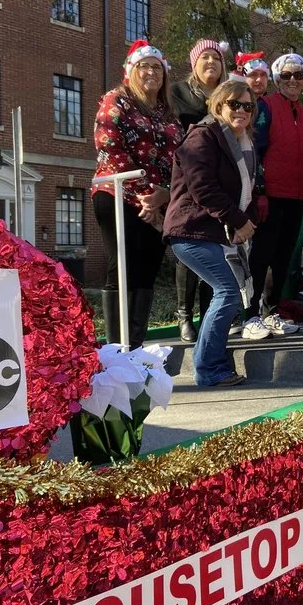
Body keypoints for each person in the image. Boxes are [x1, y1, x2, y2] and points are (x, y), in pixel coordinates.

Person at [163, 79, 262, 387]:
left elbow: (248, 191)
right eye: (235, 104)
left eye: (248, 106)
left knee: (228, 293)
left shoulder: (243, 143)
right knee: (228, 291)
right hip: (190, 230)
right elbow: (203, 188)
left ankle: (213, 365)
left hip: (213, 231)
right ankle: (208, 369)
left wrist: (247, 222)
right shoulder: (203, 137)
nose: (242, 111)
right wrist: (238, 220)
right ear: (219, 105)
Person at [91, 40, 182, 348]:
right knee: (122, 267)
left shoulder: (168, 113)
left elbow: (179, 158)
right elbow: (110, 146)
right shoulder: (115, 100)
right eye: (144, 66)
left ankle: (136, 346)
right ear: (130, 71)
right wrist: (145, 195)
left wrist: (164, 194)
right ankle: (117, 349)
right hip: (117, 195)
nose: (151, 72)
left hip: (157, 201)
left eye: (157, 67)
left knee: (147, 270)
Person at [242, 53, 303, 340]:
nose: (292, 81)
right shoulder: (266, 106)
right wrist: (258, 189)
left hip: (297, 195)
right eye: (285, 75)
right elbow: (255, 148)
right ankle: (250, 314)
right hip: (270, 194)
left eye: (298, 75)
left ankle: (272, 311)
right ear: (277, 79)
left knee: (283, 257)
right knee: (261, 255)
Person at [171, 39, 229, 341]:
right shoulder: (180, 92)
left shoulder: (227, 94)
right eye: (205, 57)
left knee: (213, 247)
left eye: (216, 58)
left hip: (219, 177)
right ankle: (184, 314)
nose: (211, 63)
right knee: (190, 245)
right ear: (194, 63)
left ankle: (210, 314)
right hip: (190, 176)